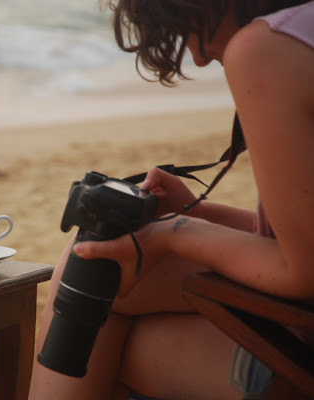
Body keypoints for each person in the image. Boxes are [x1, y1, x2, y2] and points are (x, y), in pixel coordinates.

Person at [29, 1, 314, 399]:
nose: (198, 57)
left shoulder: (265, 47)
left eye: (188, 28)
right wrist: (200, 214)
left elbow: (303, 270)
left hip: (302, 358)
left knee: (94, 270)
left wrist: (175, 232)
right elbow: (304, 235)